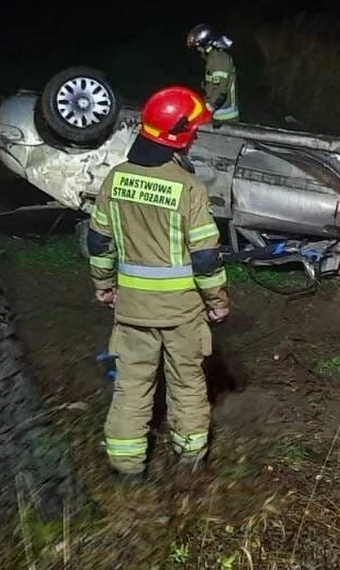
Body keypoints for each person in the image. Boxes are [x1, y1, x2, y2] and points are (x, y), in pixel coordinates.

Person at [88, 85, 231, 480]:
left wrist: (103, 282)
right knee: (186, 383)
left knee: (131, 385)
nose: (197, 136)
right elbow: (204, 256)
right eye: (194, 130)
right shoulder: (189, 187)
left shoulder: (115, 179)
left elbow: (99, 241)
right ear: (178, 136)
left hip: (132, 307)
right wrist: (217, 301)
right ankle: (190, 464)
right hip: (182, 310)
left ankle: (126, 468)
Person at [186, 23, 239, 124]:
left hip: (224, 118)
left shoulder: (219, 60)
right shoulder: (213, 59)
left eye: (199, 46)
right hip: (217, 115)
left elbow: (220, 91)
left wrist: (206, 111)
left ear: (205, 44)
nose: (198, 49)